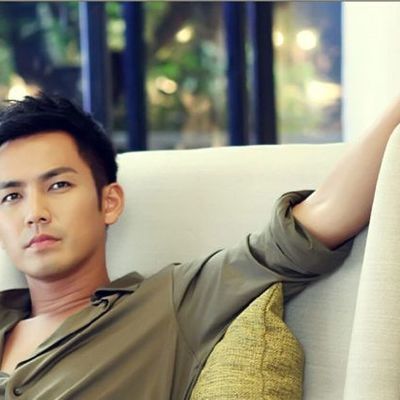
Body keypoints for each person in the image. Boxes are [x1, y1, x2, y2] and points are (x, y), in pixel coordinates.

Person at [0, 92, 398, 399]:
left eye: (59, 185)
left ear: (109, 202)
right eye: (12, 196)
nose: (35, 213)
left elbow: (320, 219)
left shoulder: (170, 304)